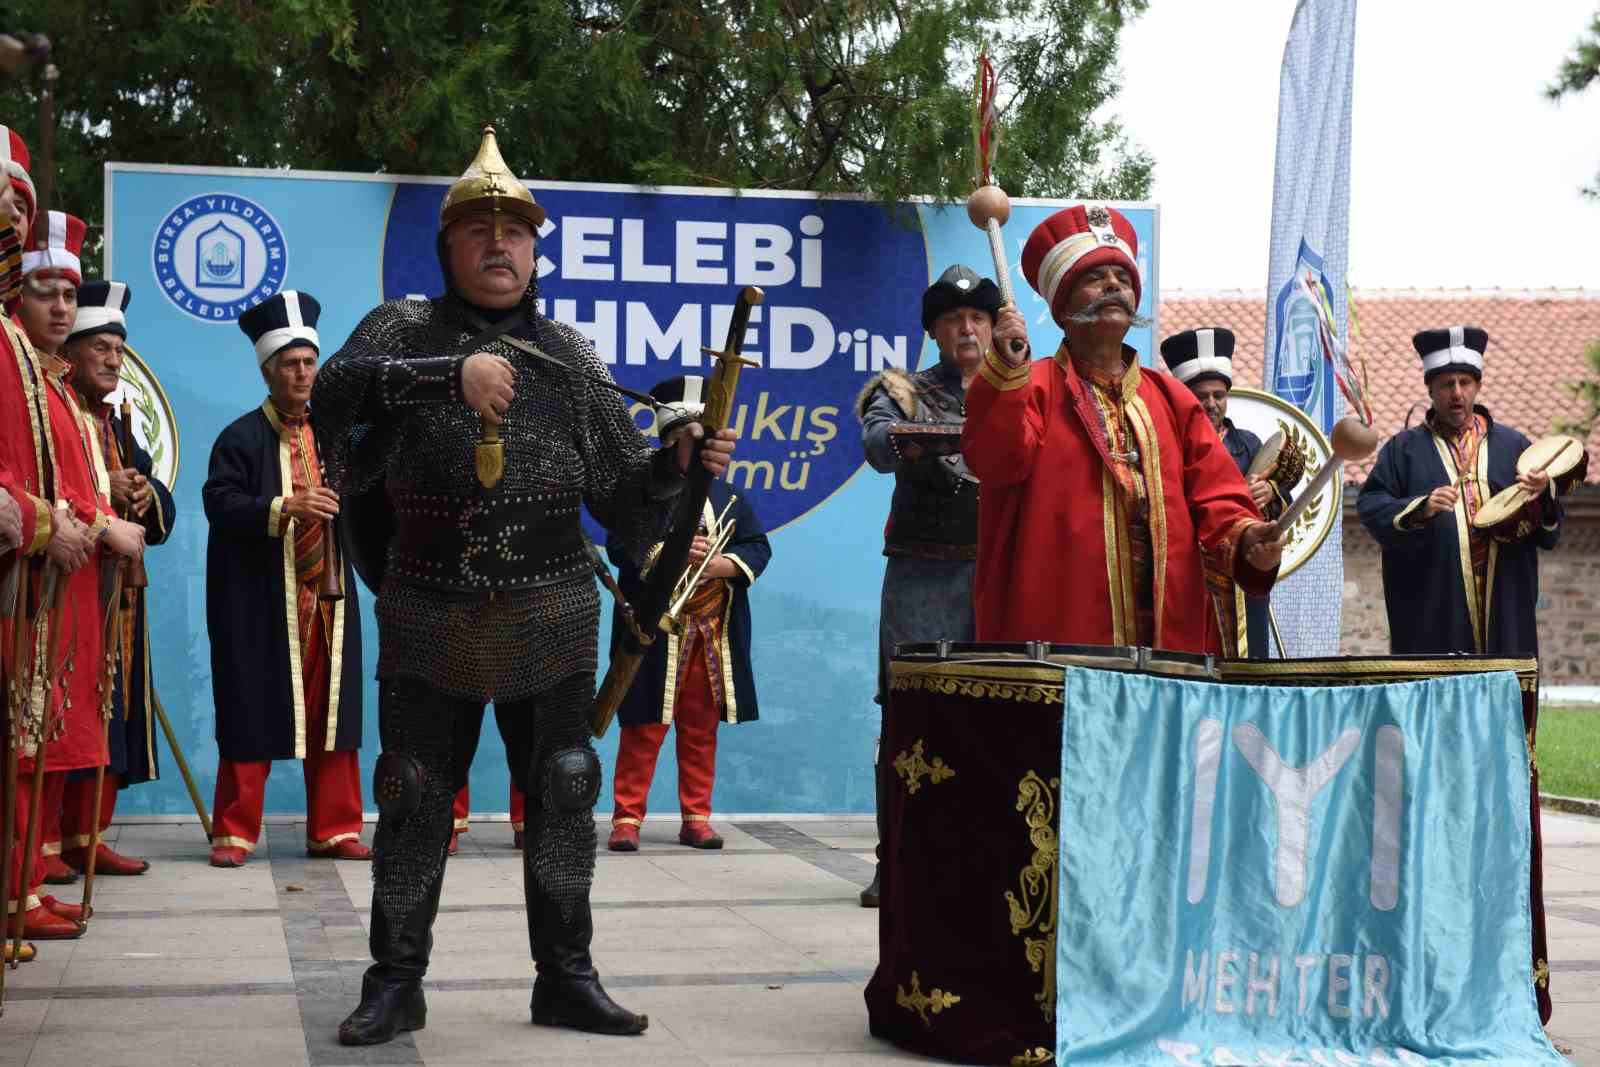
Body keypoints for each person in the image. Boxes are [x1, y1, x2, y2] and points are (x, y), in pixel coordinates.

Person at [311, 126, 736, 1045]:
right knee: (416, 788)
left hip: (552, 607)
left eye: (516, 231)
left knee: (567, 786)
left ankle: (566, 977)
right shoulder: (400, 332)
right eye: (479, 230)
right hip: (429, 600)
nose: (500, 244)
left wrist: (676, 465)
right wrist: (444, 377)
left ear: (537, 250)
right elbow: (331, 396)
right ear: (448, 248)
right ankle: (395, 978)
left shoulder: (571, 358)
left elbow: (625, 496)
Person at [962, 204, 1285, 651]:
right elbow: (996, 461)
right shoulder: (1030, 386)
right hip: (1059, 633)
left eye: (1124, 277)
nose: (1114, 284)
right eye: (1096, 277)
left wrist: (1250, 538)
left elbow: (1218, 498)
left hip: (1168, 639)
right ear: (1063, 304)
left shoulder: (1172, 399)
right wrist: (1005, 371)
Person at [8, 206, 145, 937]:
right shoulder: (17, 369)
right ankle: (18, 887)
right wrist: (98, 523)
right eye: (45, 292)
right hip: (29, 577)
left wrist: (109, 513)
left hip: (70, 581)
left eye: (69, 292)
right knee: (24, 735)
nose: (60, 305)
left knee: (42, 732)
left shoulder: (52, 383)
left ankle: (27, 881)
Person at [202, 290, 368, 867]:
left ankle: (336, 827)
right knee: (251, 706)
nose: (302, 373)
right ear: (268, 370)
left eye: (309, 362)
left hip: (329, 598)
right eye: (290, 364)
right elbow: (219, 503)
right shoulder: (240, 437)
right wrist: (284, 507)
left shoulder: (337, 436)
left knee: (334, 717)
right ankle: (235, 832)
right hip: (263, 599)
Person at [855, 263, 993, 907]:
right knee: (911, 716)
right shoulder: (902, 391)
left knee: (1001, 715)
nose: (967, 328)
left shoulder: (1030, 388)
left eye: (978, 318)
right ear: (935, 333)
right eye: (953, 320)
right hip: (924, 574)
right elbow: (881, 445)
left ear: (996, 327)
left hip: (1005, 572)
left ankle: (985, 855)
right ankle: (897, 859)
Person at [607, 375, 771, 854]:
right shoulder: (643, 493)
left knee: (700, 727)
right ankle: (626, 818)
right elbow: (622, 545)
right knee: (644, 725)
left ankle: (696, 817)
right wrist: (668, 553)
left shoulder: (733, 498)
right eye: (696, 438)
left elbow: (757, 547)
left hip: (711, 634)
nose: (706, 449)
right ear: (674, 440)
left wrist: (720, 563)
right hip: (658, 630)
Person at [58, 280, 175, 875]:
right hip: (64, 593)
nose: (110, 360)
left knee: (113, 713)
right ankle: (45, 843)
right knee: (61, 707)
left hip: (119, 603)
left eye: (117, 350)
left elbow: (162, 521)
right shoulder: (52, 416)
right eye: (99, 346)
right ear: (69, 352)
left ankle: (87, 835)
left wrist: (142, 491)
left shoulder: (123, 429)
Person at [1357, 327, 1562, 655]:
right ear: (1430, 390)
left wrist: (1543, 494)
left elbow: (1548, 530)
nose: (1456, 393)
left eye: (1465, 383)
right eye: (1446, 384)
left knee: (1502, 692)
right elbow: (1370, 505)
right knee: (1439, 696)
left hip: (1505, 599)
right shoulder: (1403, 450)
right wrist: (1419, 509)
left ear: (1477, 386)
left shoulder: (1515, 447)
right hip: (1434, 605)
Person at [1159, 327, 1291, 658]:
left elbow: (1281, 513)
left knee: (1250, 664)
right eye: (1201, 396)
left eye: (1219, 395)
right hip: (1189, 578)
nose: (1211, 403)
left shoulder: (1248, 443)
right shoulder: (1167, 445)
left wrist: (1269, 493)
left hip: (1242, 577)